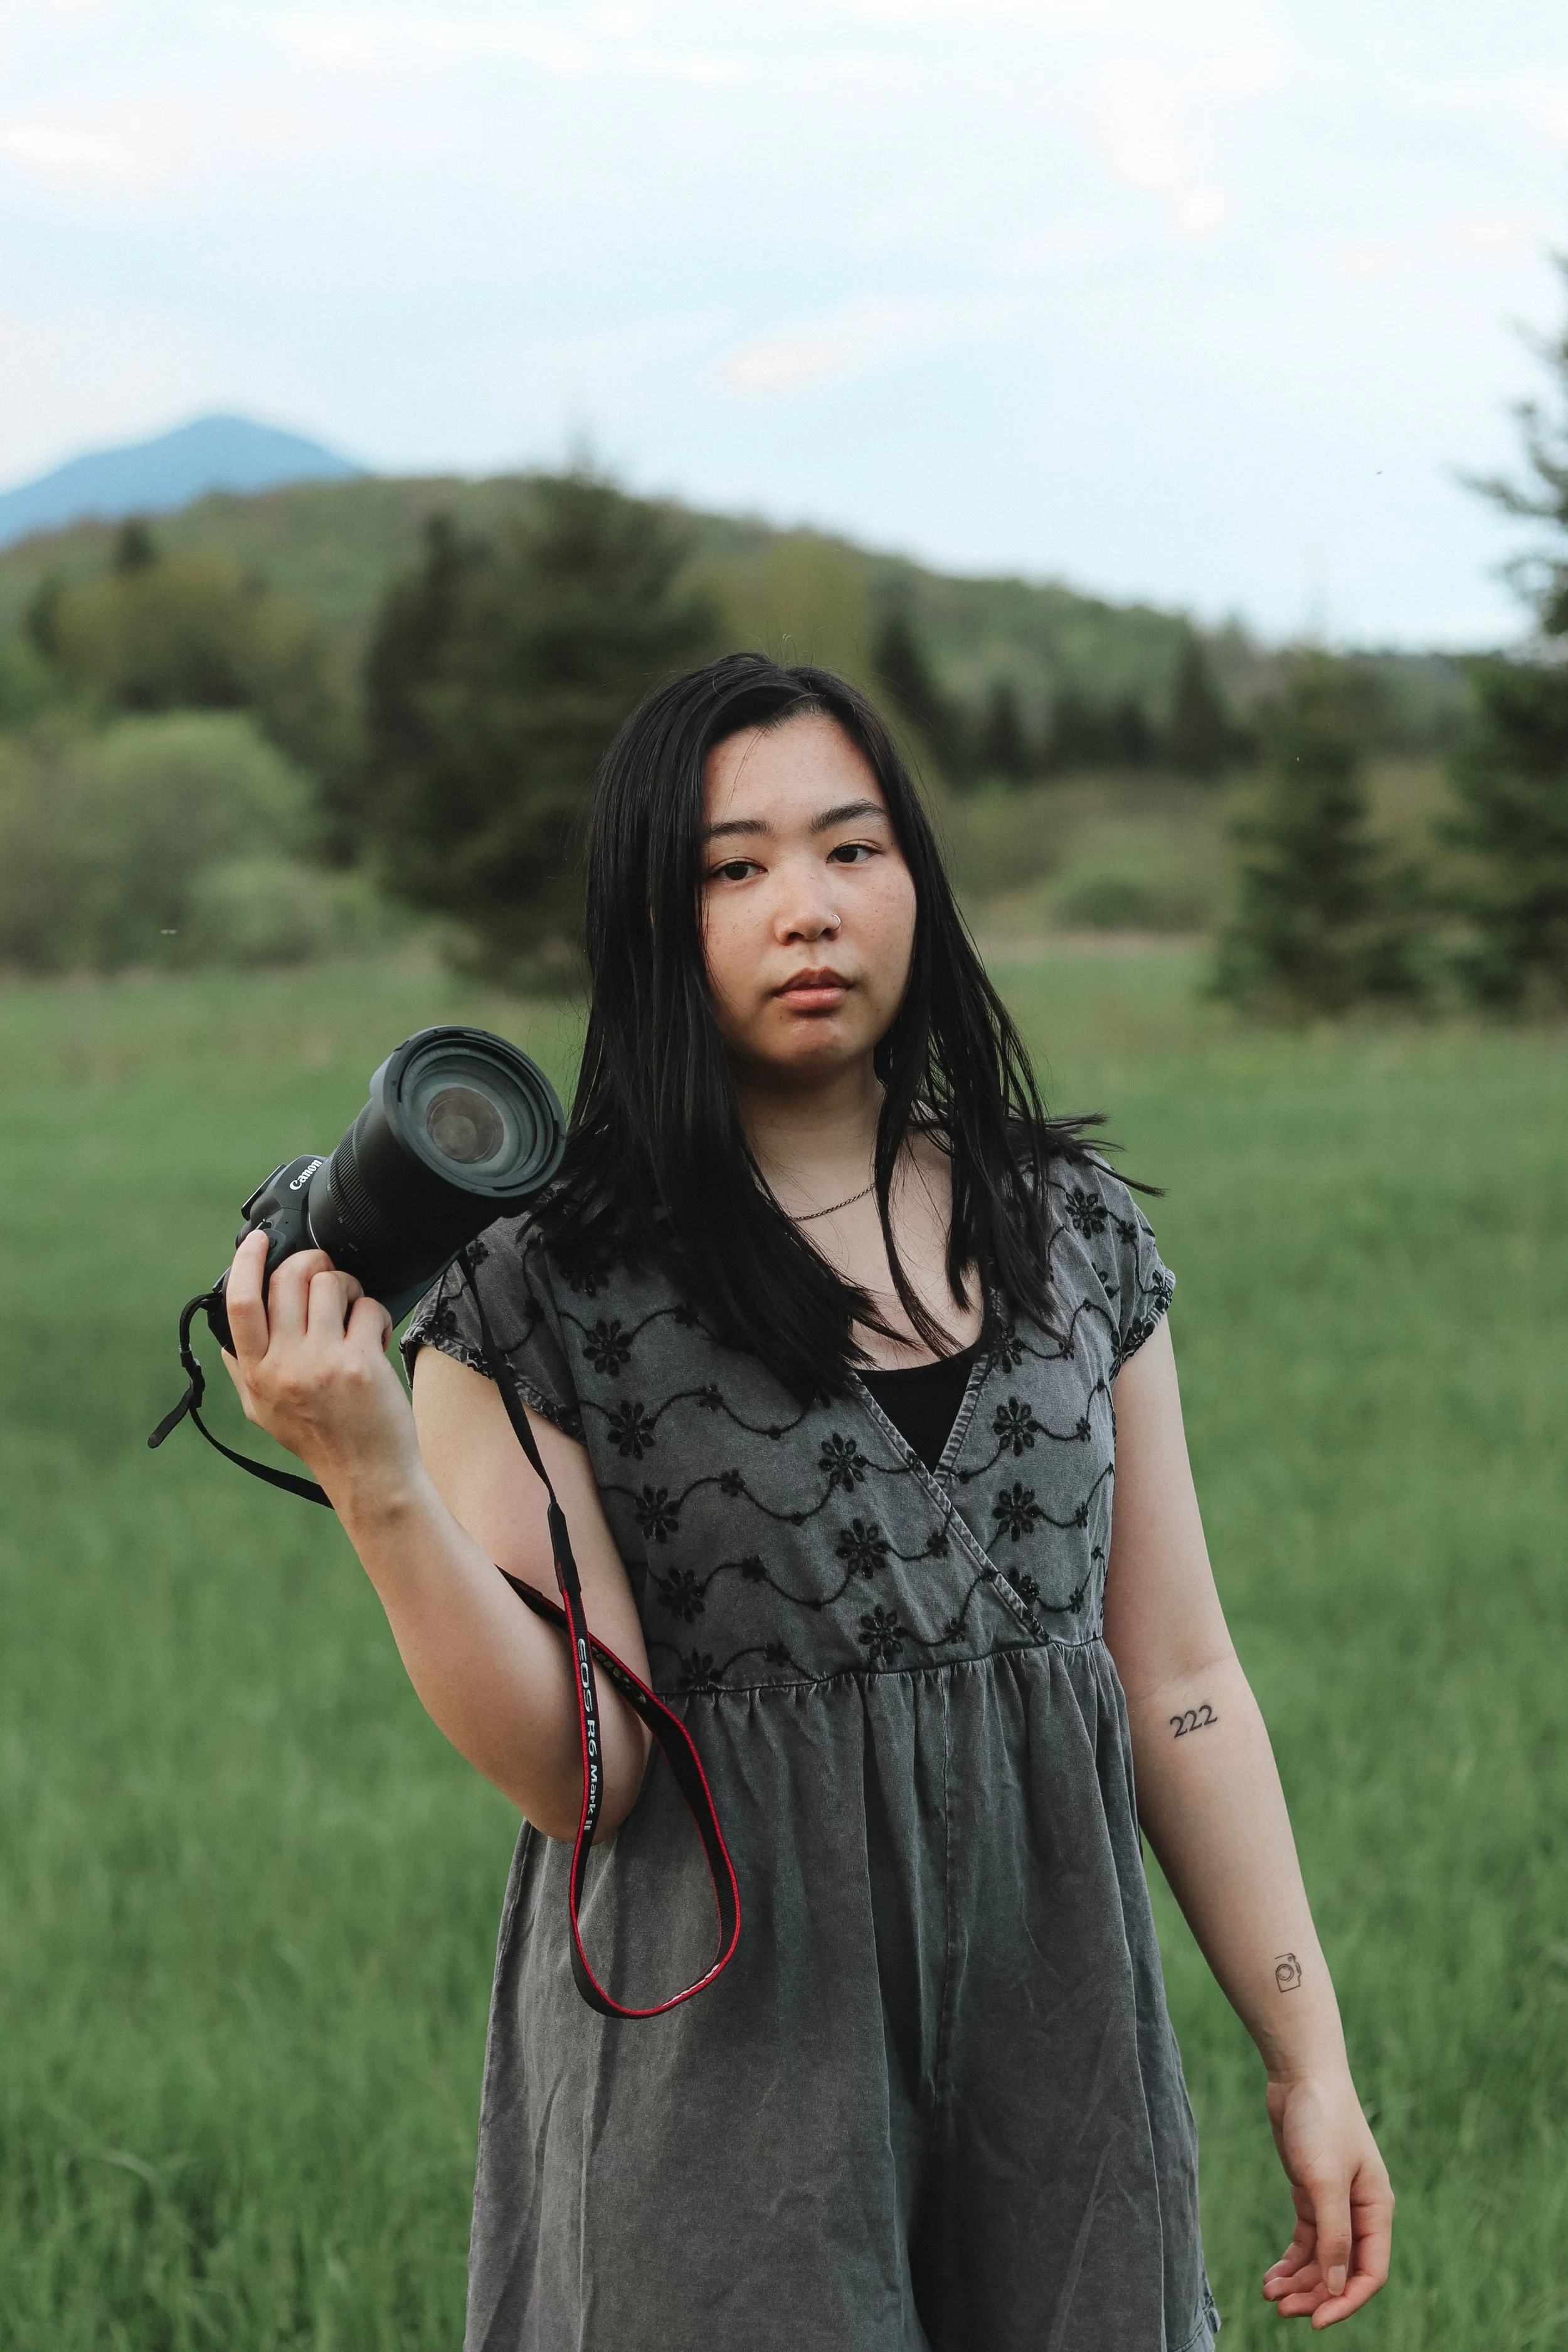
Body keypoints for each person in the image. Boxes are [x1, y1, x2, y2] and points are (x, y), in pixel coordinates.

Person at [221, 652, 1392, 2350]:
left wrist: (1309, 2057)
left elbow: (1180, 1681)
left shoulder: (1067, 1233)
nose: (808, 909)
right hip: (724, 2089)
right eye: (733, 866)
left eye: (852, 849)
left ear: (917, 876)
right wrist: (375, 1480)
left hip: (1055, 2076)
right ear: (652, 915)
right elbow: (583, 1767)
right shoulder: (538, 1285)